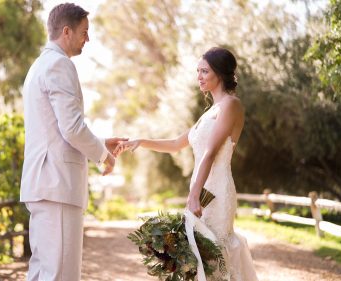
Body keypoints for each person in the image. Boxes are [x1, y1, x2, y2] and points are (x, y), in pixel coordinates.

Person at [115, 47, 259, 280]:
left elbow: (210, 153)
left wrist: (194, 194)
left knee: (216, 256)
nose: (199, 76)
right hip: (201, 188)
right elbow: (176, 143)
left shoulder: (231, 105)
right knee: (199, 258)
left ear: (220, 74)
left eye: (204, 71)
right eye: (197, 71)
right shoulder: (209, 112)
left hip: (216, 191)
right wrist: (141, 141)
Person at [20, 3, 126, 281]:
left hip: (44, 184)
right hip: (57, 185)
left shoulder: (37, 66)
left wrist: (102, 140)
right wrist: (104, 155)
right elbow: (71, 127)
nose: (87, 39)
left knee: (43, 272)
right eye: (84, 32)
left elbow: (54, 130)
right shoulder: (59, 64)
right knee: (60, 275)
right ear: (66, 31)